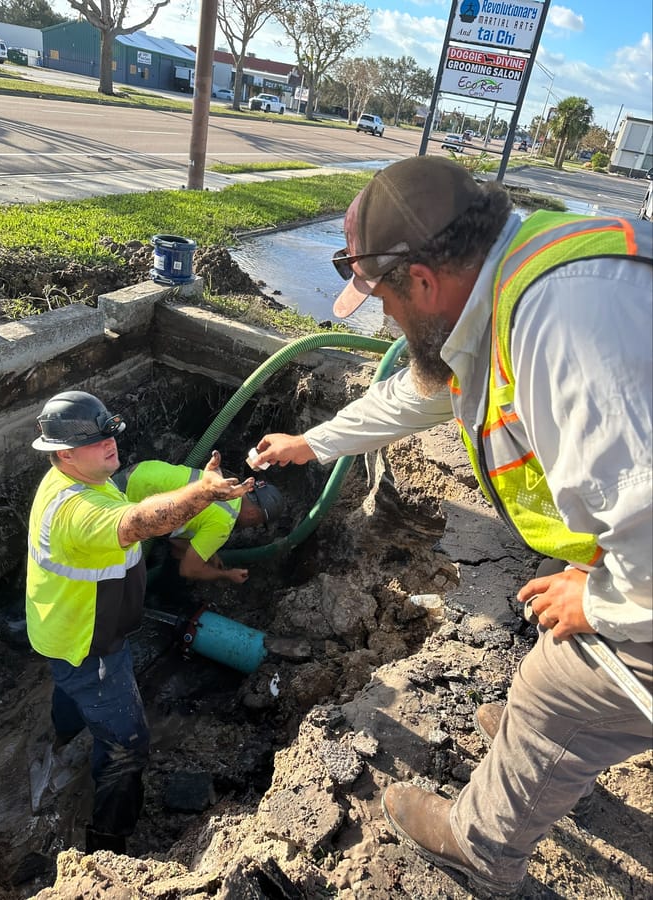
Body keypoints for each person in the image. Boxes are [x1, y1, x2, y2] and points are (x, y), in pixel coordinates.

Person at [251, 156, 653, 895]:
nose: (386, 320)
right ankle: (555, 746)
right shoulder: (515, 281)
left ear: (424, 282)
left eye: (383, 301)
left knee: (556, 687)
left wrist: (599, 599)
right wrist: (314, 442)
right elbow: (421, 393)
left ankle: (481, 847)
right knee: (559, 647)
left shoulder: (561, 326)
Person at [26, 390, 254, 855]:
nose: (110, 443)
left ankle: (64, 738)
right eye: (96, 438)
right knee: (128, 744)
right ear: (65, 452)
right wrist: (200, 493)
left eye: (110, 432)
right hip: (91, 644)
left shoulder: (77, 479)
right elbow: (135, 522)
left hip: (57, 631)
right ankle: (107, 844)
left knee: (68, 689)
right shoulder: (78, 511)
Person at [116, 460, 284, 583]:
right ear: (253, 514)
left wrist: (209, 552)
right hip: (129, 500)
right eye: (256, 523)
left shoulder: (220, 484)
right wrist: (227, 575)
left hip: (140, 471)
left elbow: (177, 540)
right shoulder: (224, 523)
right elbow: (188, 569)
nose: (252, 526)